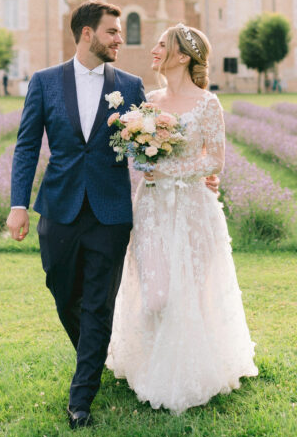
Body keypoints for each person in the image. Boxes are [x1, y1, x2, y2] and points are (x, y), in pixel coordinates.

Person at [6, 0, 145, 430]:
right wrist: (17, 204)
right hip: (60, 206)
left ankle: (81, 398)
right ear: (87, 34)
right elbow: (27, 145)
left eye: (120, 32)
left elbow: (145, 147)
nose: (120, 39)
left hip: (110, 210)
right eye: (112, 32)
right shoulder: (45, 82)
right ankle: (94, 354)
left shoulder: (132, 84)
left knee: (99, 304)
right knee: (64, 291)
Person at [107, 23, 258, 414]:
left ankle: (185, 371)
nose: (153, 50)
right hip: (153, 208)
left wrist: (171, 171)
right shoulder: (150, 100)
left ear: (182, 56)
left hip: (192, 208)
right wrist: (143, 161)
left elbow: (215, 159)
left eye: (161, 45)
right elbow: (138, 153)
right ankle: (148, 361)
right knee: (154, 292)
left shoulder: (208, 104)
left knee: (190, 291)